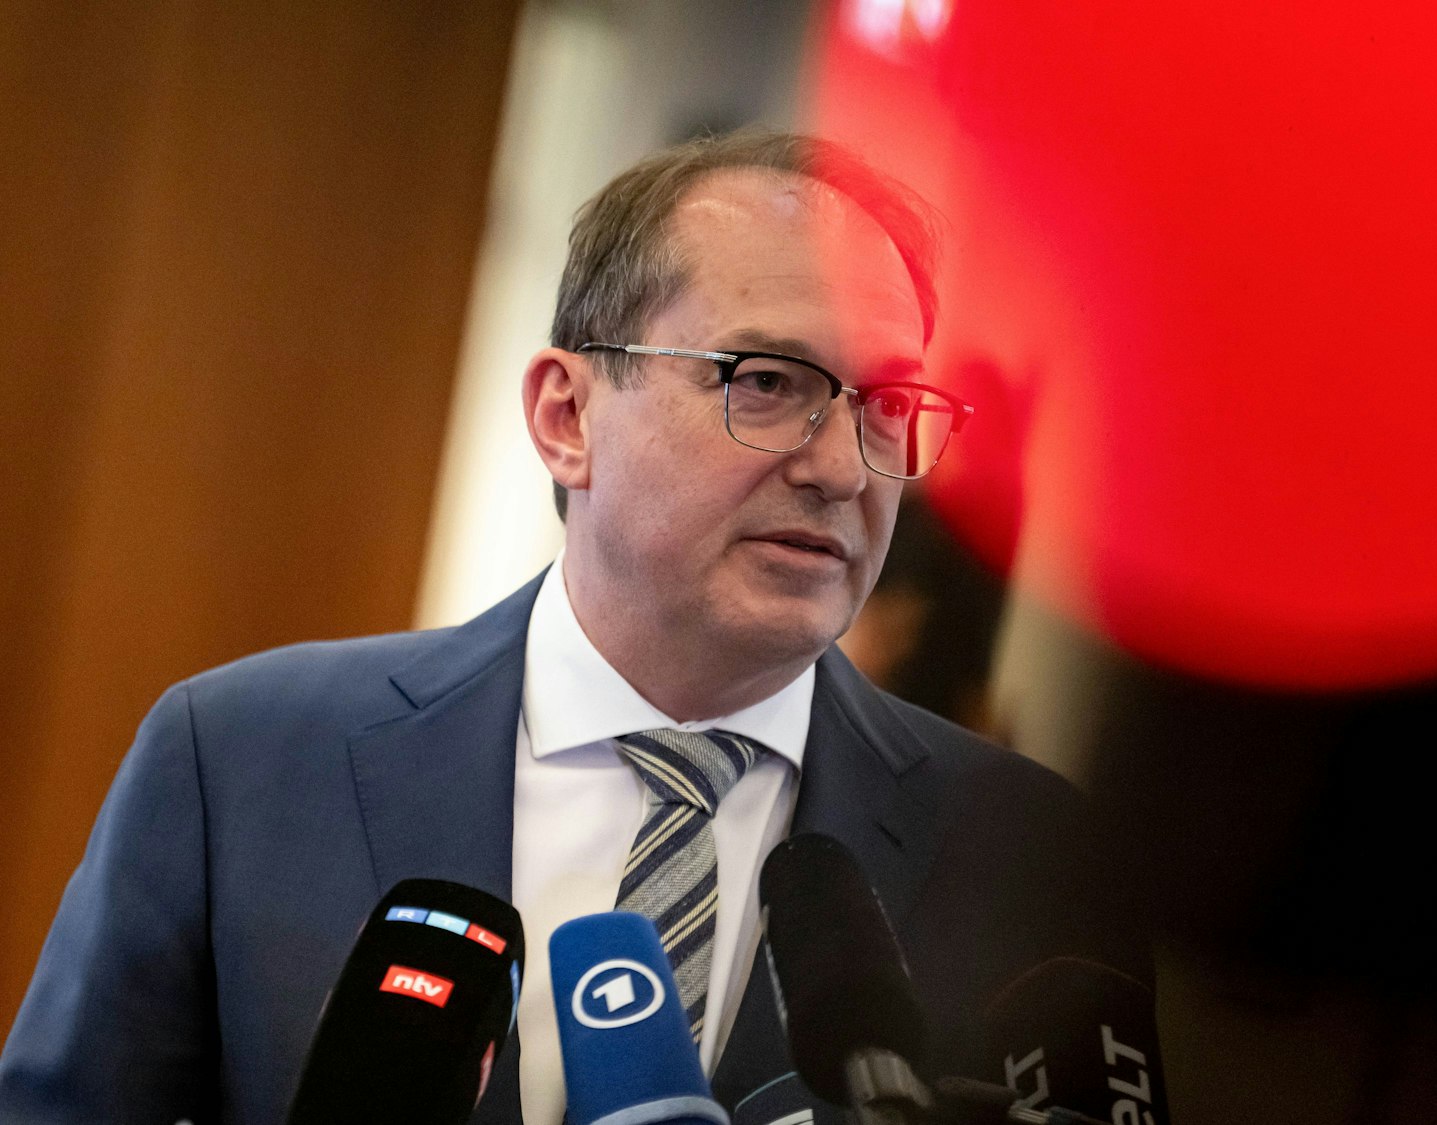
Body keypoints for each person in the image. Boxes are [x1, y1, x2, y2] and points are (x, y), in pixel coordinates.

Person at [0, 131, 1145, 1125]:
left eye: (888, 405)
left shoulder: (1028, 852)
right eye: (765, 381)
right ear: (566, 417)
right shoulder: (241, 757)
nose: (844, 466)